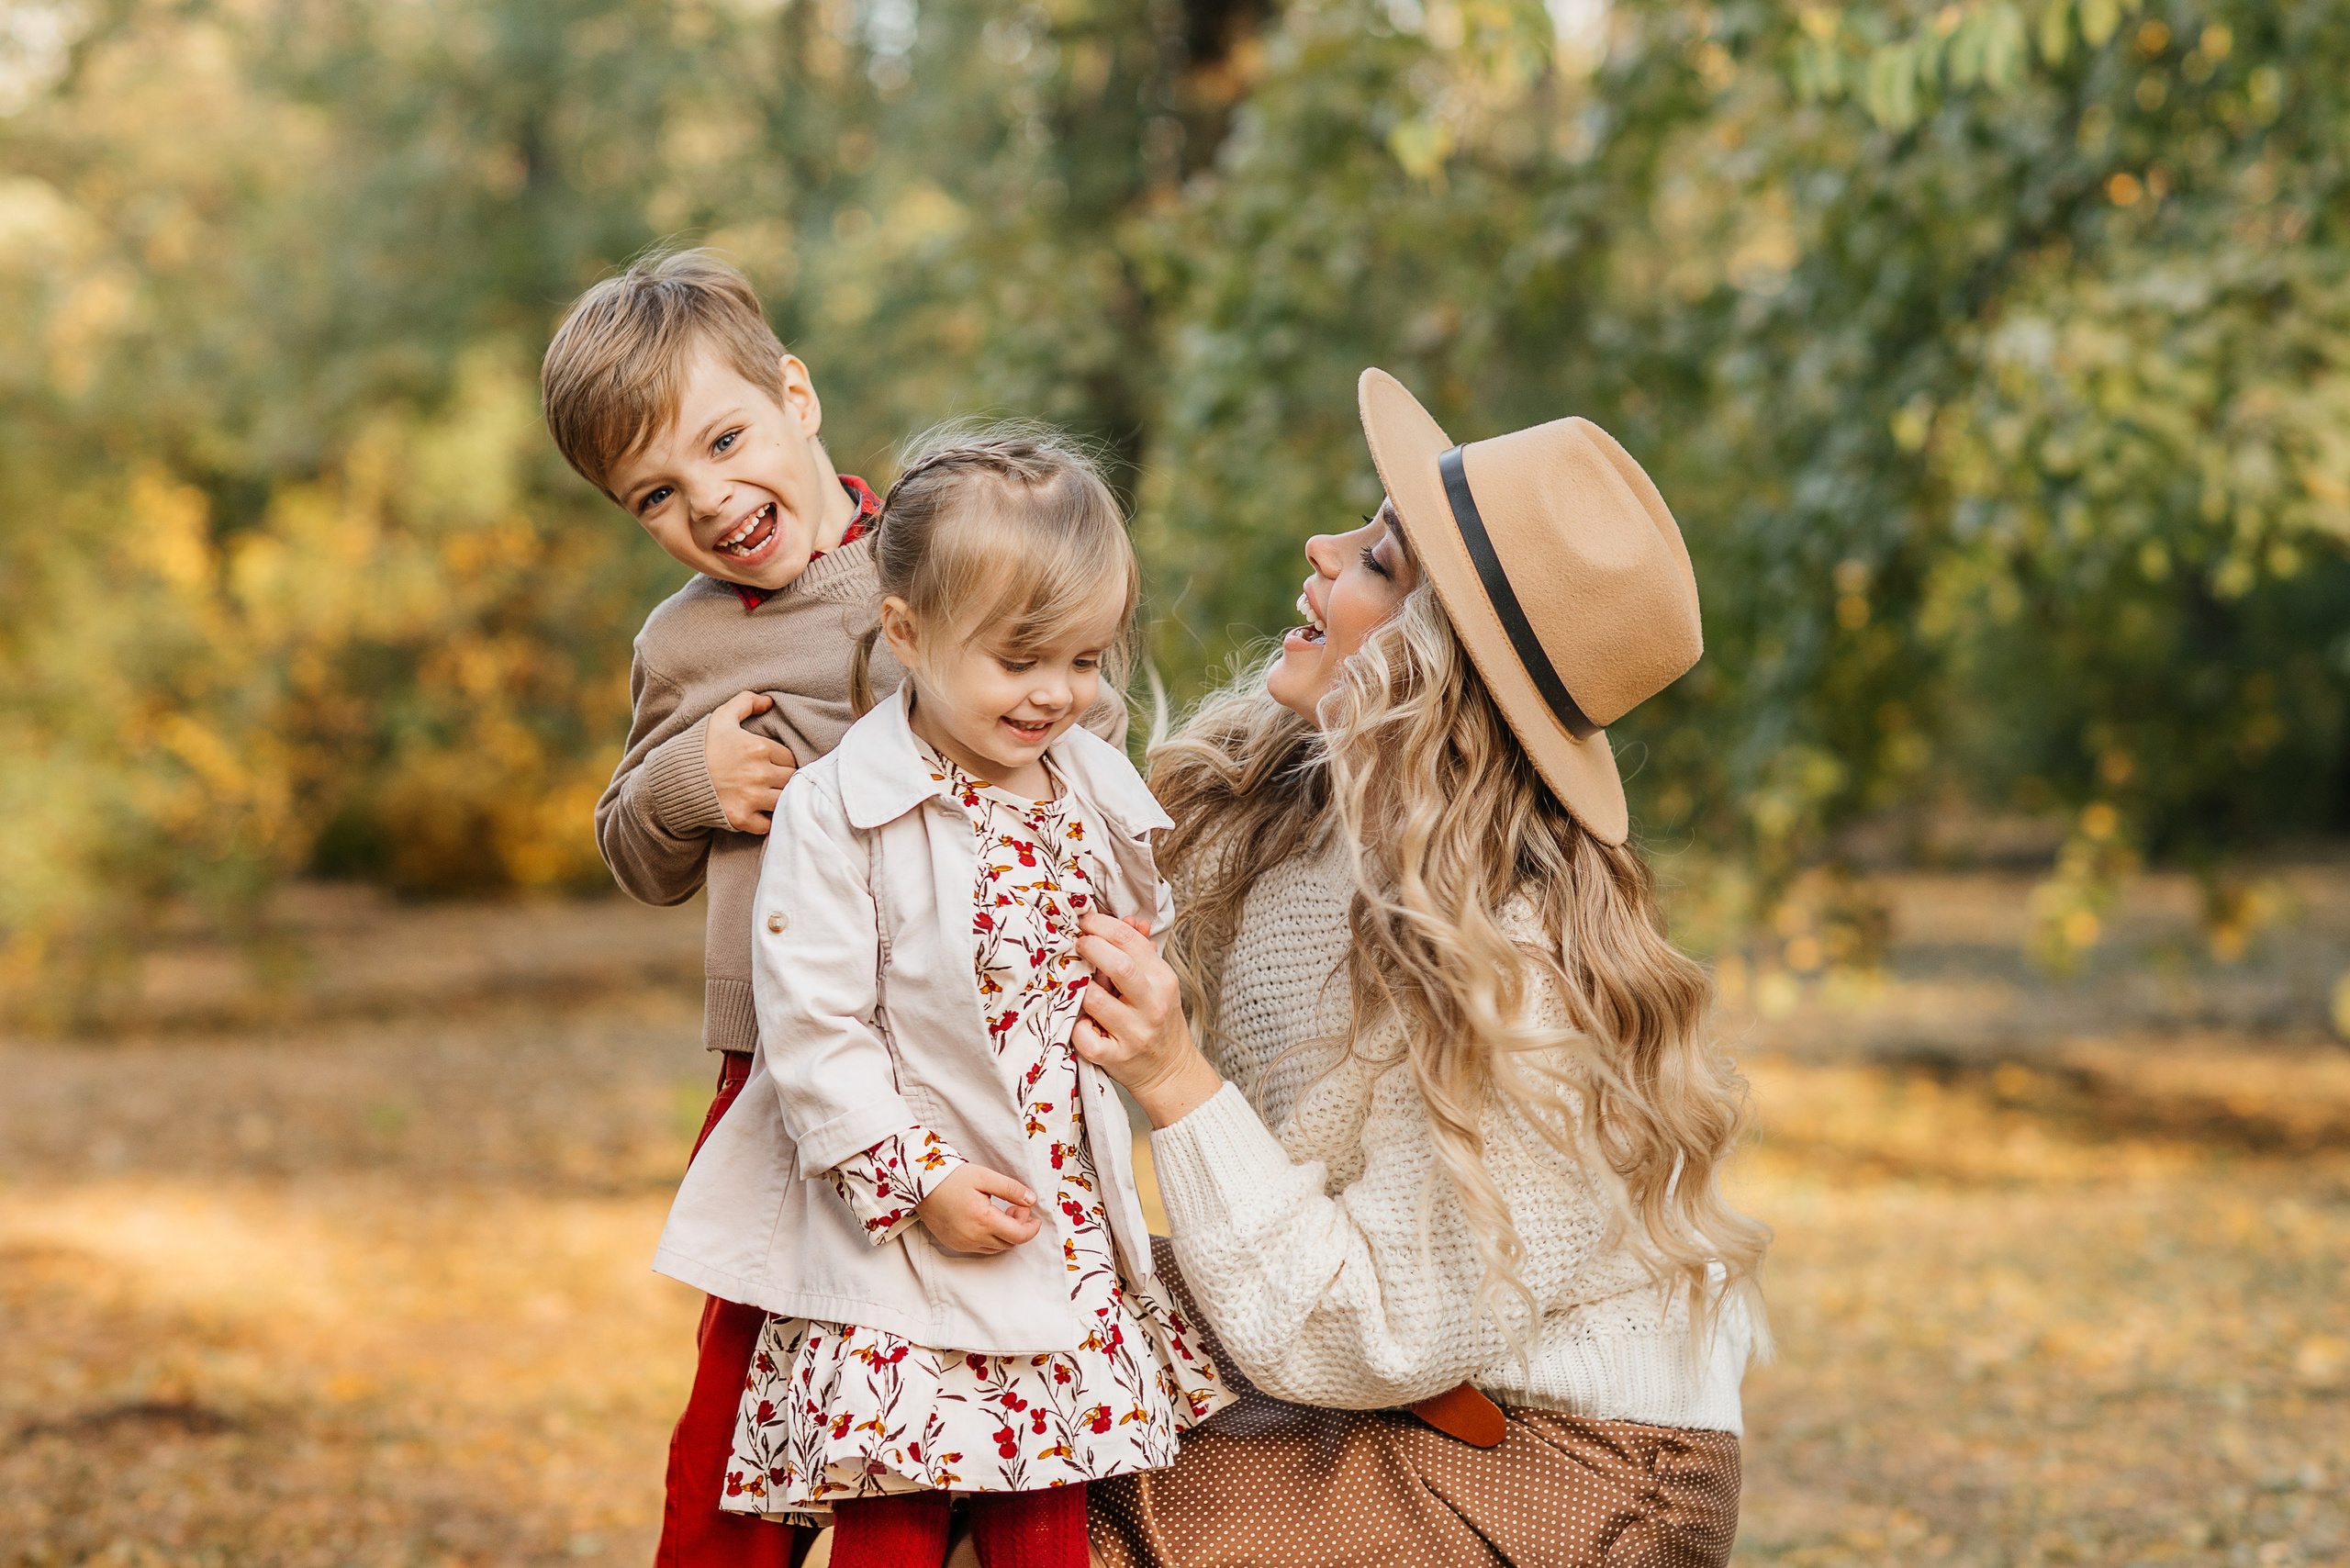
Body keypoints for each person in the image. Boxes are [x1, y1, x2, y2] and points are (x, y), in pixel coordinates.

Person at [1069, 370, 1773, 1568]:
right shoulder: (1279, 819)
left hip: (1569, 1458)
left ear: (1432, 667)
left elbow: (1382, 1328)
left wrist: (1177, 1081)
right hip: (1392, 1397)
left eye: (1379, 563)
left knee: (1092, 1532)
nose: (1323, 547)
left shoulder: (1527, 975)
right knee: (1005, 1461)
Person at [540, 252, 1125, 1568]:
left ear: (795, 395)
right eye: (657, 496)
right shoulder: (682, 645)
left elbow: (1061, 714)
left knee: (988, 1349)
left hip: (972, 1047)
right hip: (777, 1067)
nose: (712, 501)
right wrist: (689, 784)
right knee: (752, 1378)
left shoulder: (937, 565)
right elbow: (631, 846)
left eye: (728, 439)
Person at [651, 427, 1231, 1568]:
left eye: (1084, 659)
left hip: (1045, 1215)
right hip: (906, 1242)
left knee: (1042, 1517)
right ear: (909, 632)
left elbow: (1127, 940)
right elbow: (816, 1026)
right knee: (900, 1518)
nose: (1058, 693)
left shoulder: (1091, 785)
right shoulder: (841, 808)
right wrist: (915, 1182)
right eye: (1020, 661)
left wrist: (1138, 981)